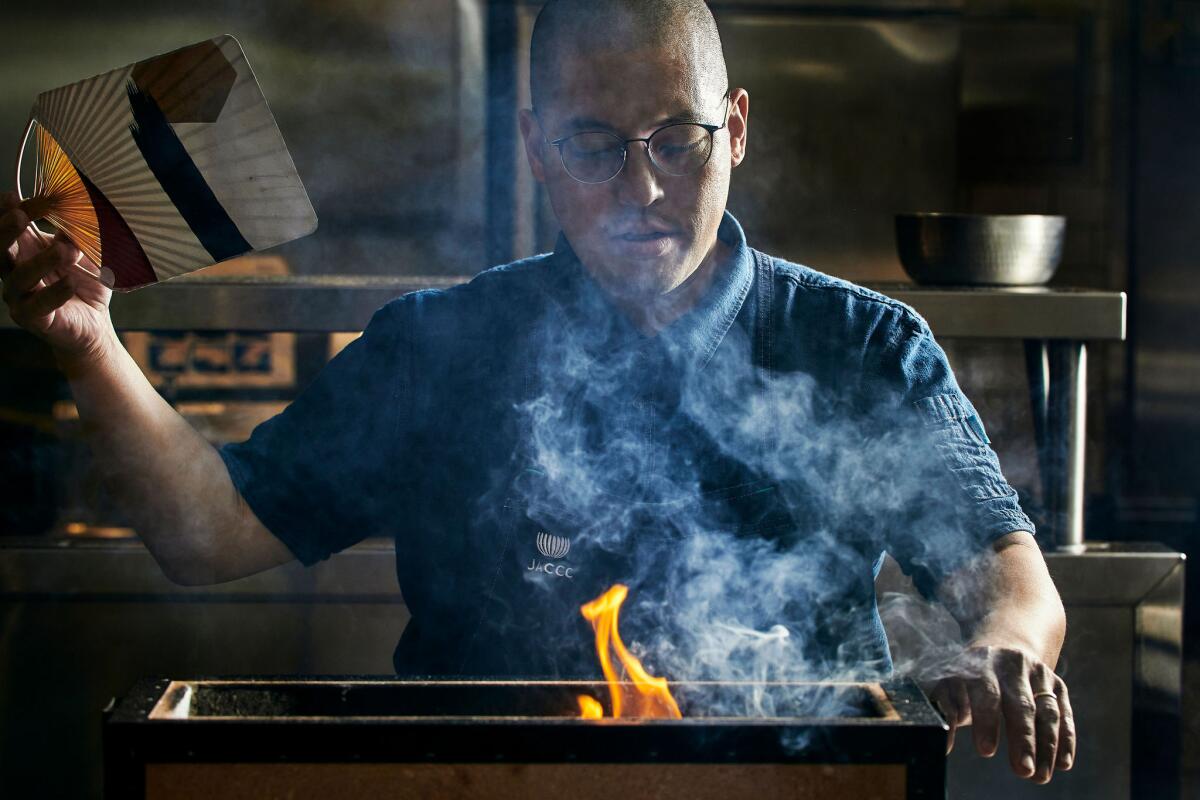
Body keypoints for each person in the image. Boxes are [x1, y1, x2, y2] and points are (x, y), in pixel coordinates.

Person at [1, 0, 1073, 783]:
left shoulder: (861, 345)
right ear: (535, 148)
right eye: (592, 145)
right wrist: (92, 346)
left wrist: (1004, 649)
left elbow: (1010, 579)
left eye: (675, 141)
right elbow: (209, 530)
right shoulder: (439, 348)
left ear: (734, 129)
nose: (641, 187)